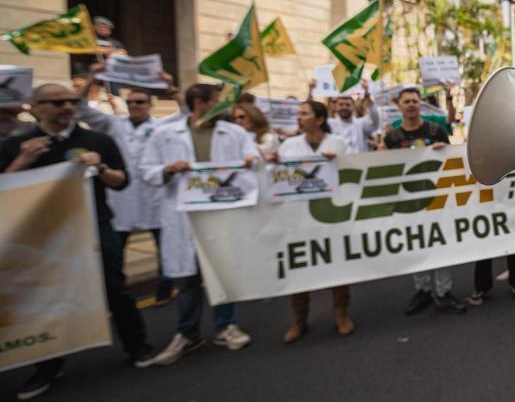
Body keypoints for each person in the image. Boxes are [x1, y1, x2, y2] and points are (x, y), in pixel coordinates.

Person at [0, 84, 155, 400]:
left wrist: (101, 168)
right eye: (57, 102)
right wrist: (22, 162)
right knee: (43, 299)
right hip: (40, 236)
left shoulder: (96, 140)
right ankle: (48, 365)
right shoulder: (16, 145)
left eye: (71, 101)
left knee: (116, 289)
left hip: (95, 227)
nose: (67, 107)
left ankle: (137, 345)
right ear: (35, 106)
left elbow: (121, 182)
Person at [141, 83, 257, 364]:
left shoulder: (235, 132)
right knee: (189, 278)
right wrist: (168, 169)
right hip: (185, 214)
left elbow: (254, 157)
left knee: (222, 269)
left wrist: (253, 159)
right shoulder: (165, 134)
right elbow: (146, 169)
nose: (224, 107)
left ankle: (225, 326)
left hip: (220, 210)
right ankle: (187, 332)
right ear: (199, 103)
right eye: (217, 101)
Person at [76, 65, 180, 307]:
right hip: (121, 199)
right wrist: (94, 77)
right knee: (114, 253)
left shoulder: (163, 126)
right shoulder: (113, 125)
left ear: (150, 104)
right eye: (131, 102)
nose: (135, 106)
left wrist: (170, 85)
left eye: (140, 102)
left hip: (154, 197)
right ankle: (117, 295)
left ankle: (163, 290)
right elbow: (80, 109)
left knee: (164, 248)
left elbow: (187, 111)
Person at [276, 101, 354, 342]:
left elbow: (354, 172)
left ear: (319, 119)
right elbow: (278, 178)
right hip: (297, 217)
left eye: (304, 113)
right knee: (299, 266)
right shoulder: (288, 146)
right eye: (298, 113)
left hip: (330, 215)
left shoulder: (338, 143)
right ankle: (300, 319)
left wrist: (338, 162)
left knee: (336, 263)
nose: (299, 117)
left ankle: (341, 313)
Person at [384, 87, 466, 315]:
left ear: (420, 104)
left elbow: (452, 159)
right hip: (409, 202)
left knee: (440, 243)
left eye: (414, 101)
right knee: (416, 244)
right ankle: (423, 290)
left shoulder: (435, 130)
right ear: (399, 106)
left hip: (436, 200)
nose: (411, 105)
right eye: (406, 101)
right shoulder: (392, 137)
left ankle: (443, 291)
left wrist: (444, 149)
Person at [325, 82, 379, 154]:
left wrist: (367, 95)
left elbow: (374, 120)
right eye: (341, 105)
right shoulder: (330, 124)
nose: (344, 107)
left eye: (347, 105)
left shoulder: (361, 124)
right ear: (336, 106)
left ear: (353, 106)